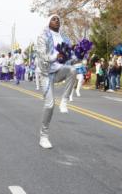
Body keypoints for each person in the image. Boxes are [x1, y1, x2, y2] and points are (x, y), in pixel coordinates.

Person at [36, 14, 76, 149]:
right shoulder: (43, 36)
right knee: (49, 105)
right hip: (46, 73)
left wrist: (80, 55)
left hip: (58, 71)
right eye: (54, 19)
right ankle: (44, 136)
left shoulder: (64, 38)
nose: (57, 20)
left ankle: (64, 101)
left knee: (72, 70)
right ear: (48, 22)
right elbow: (42, 55)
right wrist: (55, 56)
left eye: (58, 19)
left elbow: (69, 57)